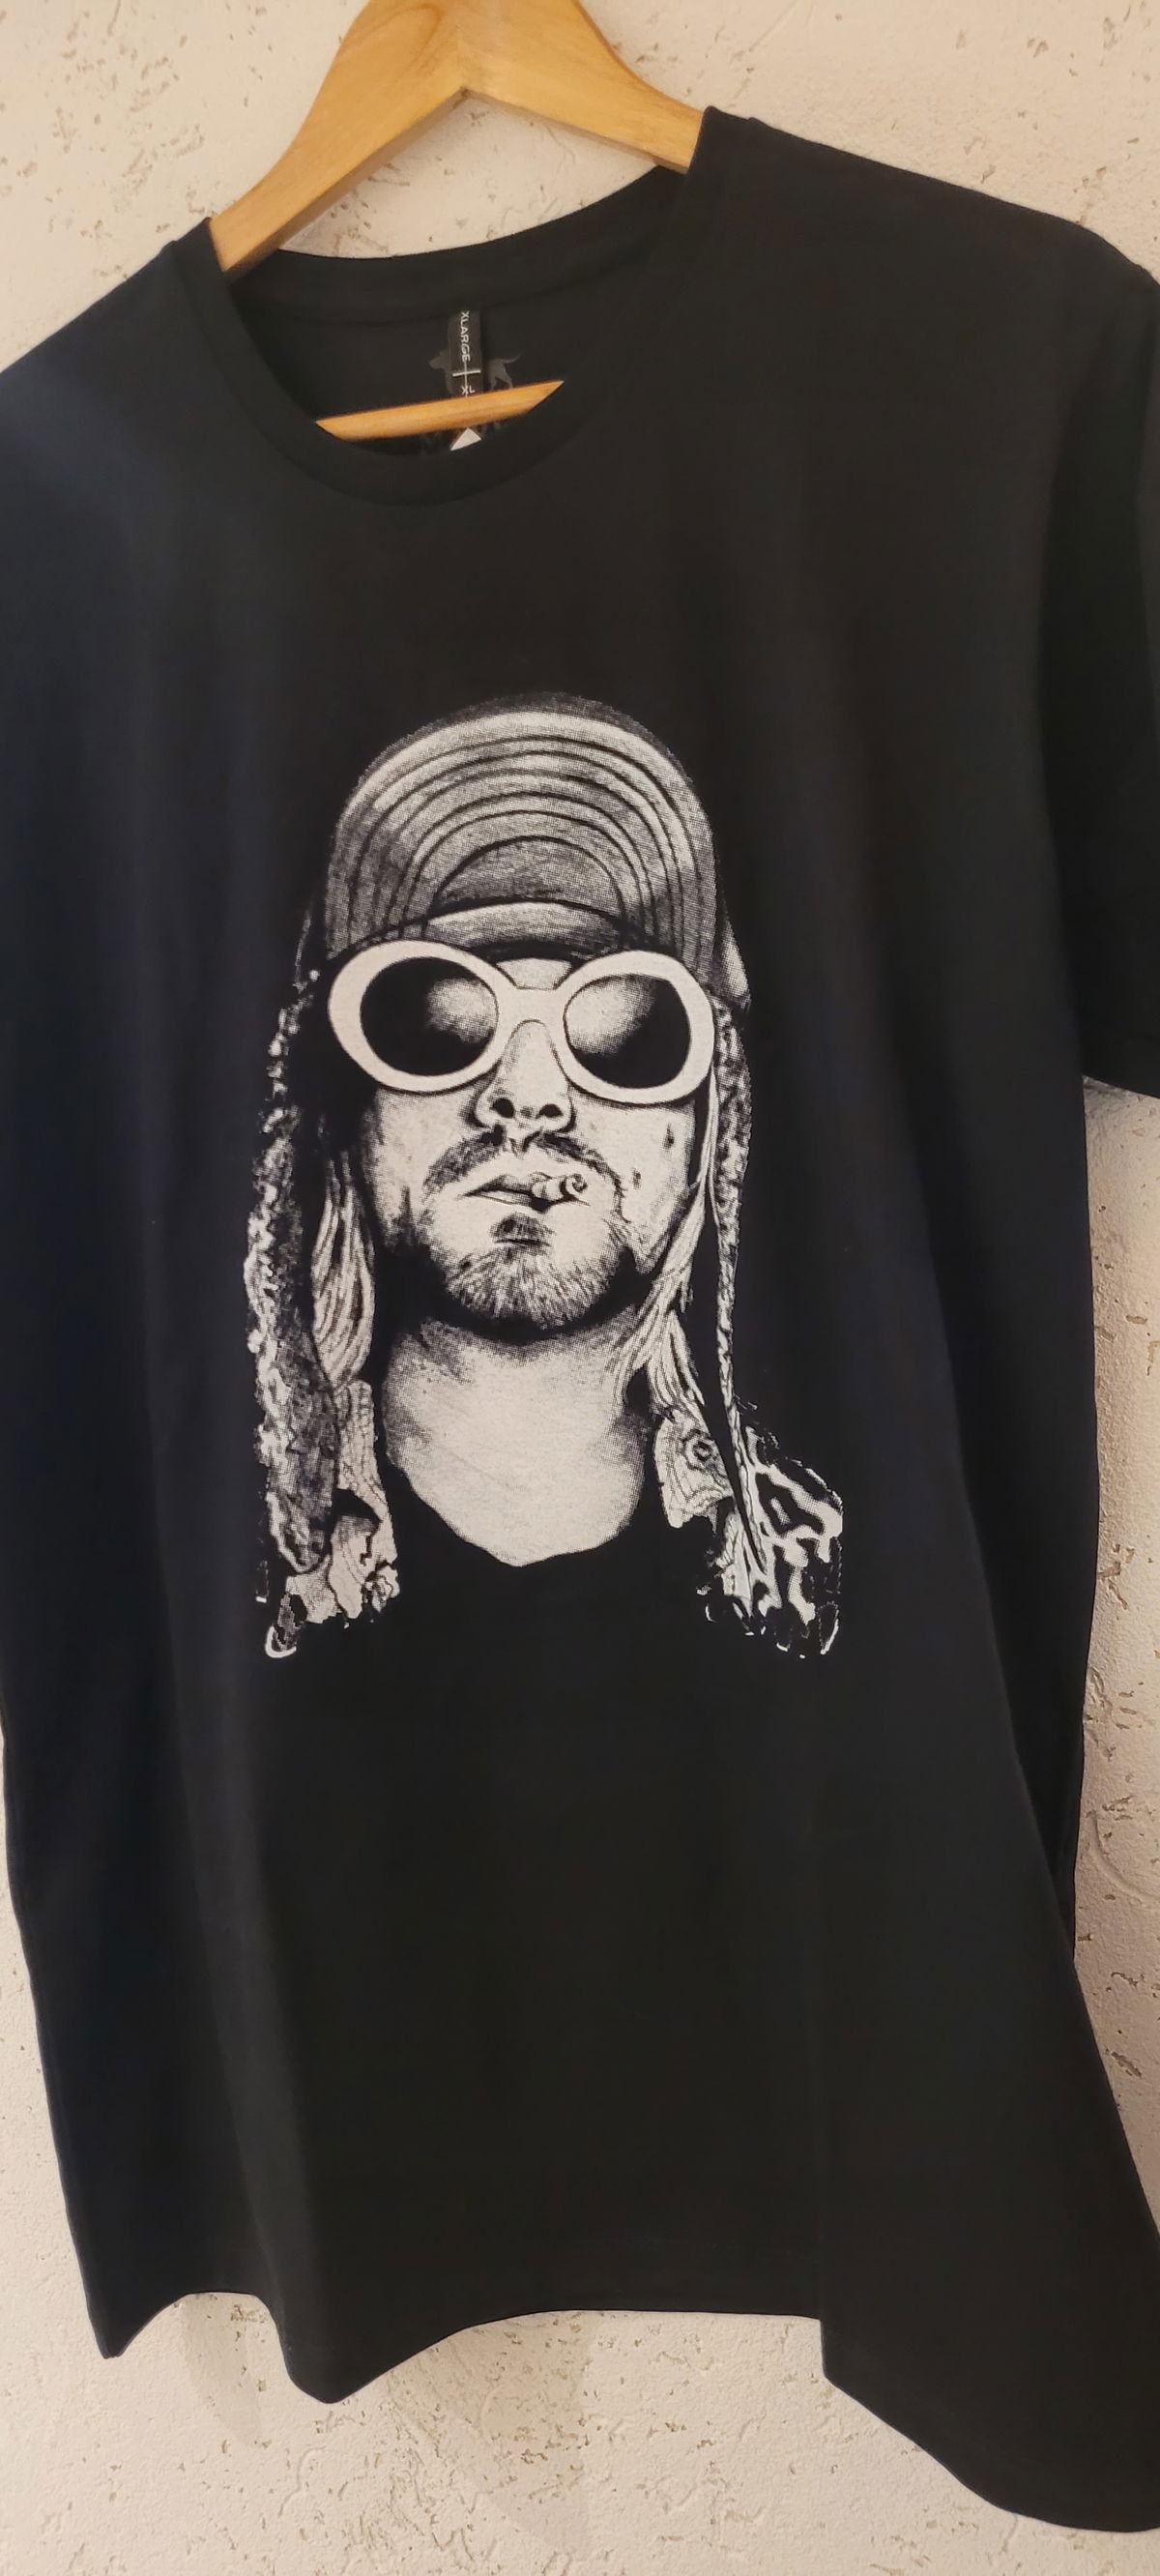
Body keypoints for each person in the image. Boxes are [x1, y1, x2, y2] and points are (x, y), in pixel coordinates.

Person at [244, 691, 843, 1660]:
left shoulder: (809, 1569)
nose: (526, 1100)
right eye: (441, 1031)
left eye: (621, 1038)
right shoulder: (195, 1544)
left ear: (709, 1128)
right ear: (348, 1120)